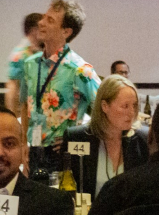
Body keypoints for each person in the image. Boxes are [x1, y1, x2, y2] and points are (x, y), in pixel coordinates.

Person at [20, 0, 101, 170]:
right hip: (33, 149)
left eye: (50, 20)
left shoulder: (80, 70)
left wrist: (75, 136)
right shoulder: (30, 65)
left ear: (66, 31)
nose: (40, 23)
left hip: (64, 154)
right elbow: (24, 106)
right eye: (43, 17)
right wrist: (23, 145)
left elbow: (103, 112)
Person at [62, 75, 149, 197]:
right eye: (125, 106)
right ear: (105, 106)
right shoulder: (76, 137)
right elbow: (65, 188)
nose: (131, 112)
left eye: (134, 105)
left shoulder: (143, 139)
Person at [6, 12, 43, 115]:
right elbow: (12, 87)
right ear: (33, 30)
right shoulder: (20, 54)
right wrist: (11, 116)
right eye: (41, 27)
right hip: (26, 112)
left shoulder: (41, 51)